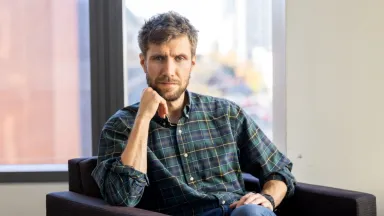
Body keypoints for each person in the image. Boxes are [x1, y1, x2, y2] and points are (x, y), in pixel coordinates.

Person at [92, 11, 296, 216]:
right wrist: (143, 118)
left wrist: (268, 198)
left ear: (192, 63)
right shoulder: (121, 126)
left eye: (179, 58)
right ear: (143, 62)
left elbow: (278, 169)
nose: (169, 70)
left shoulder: (226, 114)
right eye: (159, 58)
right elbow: (123, 197)